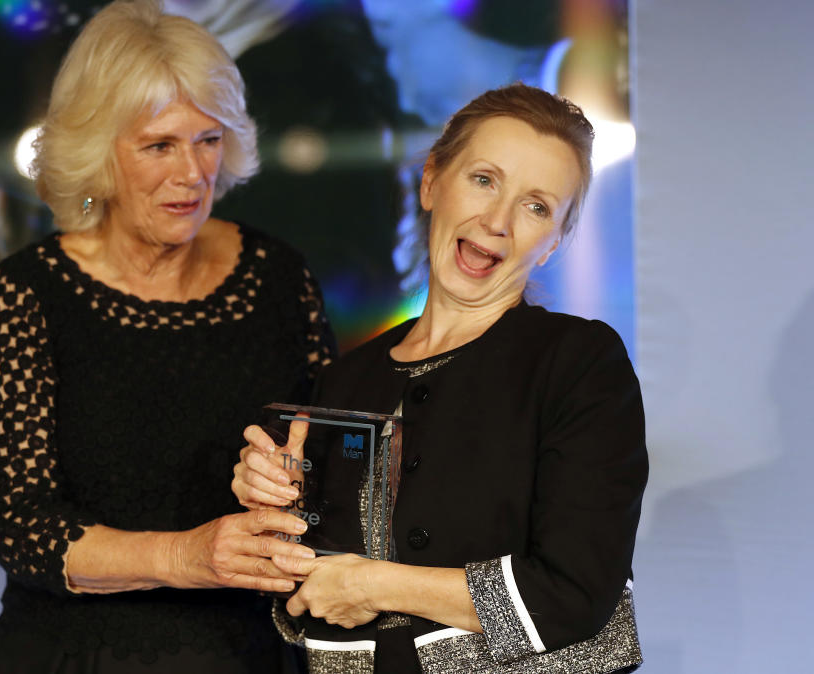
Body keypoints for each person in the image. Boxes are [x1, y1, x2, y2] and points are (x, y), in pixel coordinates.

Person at [233, 83, 647, 673]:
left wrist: (375, 586)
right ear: (430, 182)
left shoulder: (579, 363)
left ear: (554, 241)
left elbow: (574, 594)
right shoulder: (344, 382)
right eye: (484, 179)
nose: (498, 221)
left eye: (537, 207)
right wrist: (275, 509)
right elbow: (309, 597)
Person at [0, 1, 336, 671]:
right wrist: (190, 556)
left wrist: (297, 481)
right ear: (98, 151)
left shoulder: (279, 275)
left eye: (208, 139)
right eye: (159, 145)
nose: (193, 173)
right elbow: (25, 532)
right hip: (77, 655)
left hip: (252, 654)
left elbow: (335, 468)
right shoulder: (29, 292)